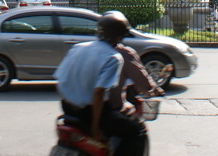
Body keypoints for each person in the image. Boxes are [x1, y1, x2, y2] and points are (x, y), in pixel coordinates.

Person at [55, 11, 148, 156]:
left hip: (68, 108)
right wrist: (95, 127)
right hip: (91, 113)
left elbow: (60, 79)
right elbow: (99, 92)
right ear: (119, 36)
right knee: (136, 131)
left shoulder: (78, 47)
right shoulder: (113, 57)